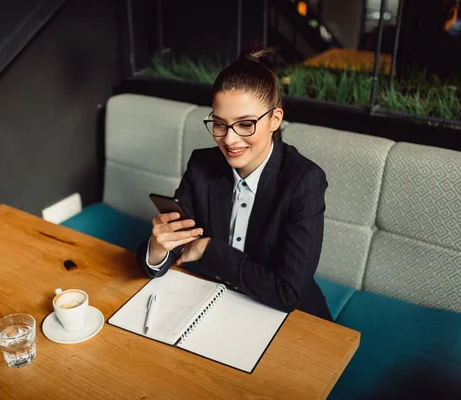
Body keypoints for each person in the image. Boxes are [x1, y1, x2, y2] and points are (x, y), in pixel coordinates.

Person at [136, 43, 332, 321]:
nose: (229, 139)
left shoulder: (304, 182)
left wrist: (208, 250)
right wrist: (157, 249)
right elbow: (178, 243)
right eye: (219, 124)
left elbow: (288, 292)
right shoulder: (202, 165)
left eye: (245, 124)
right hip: (215, 302)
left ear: (275, 119)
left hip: (288, 318)